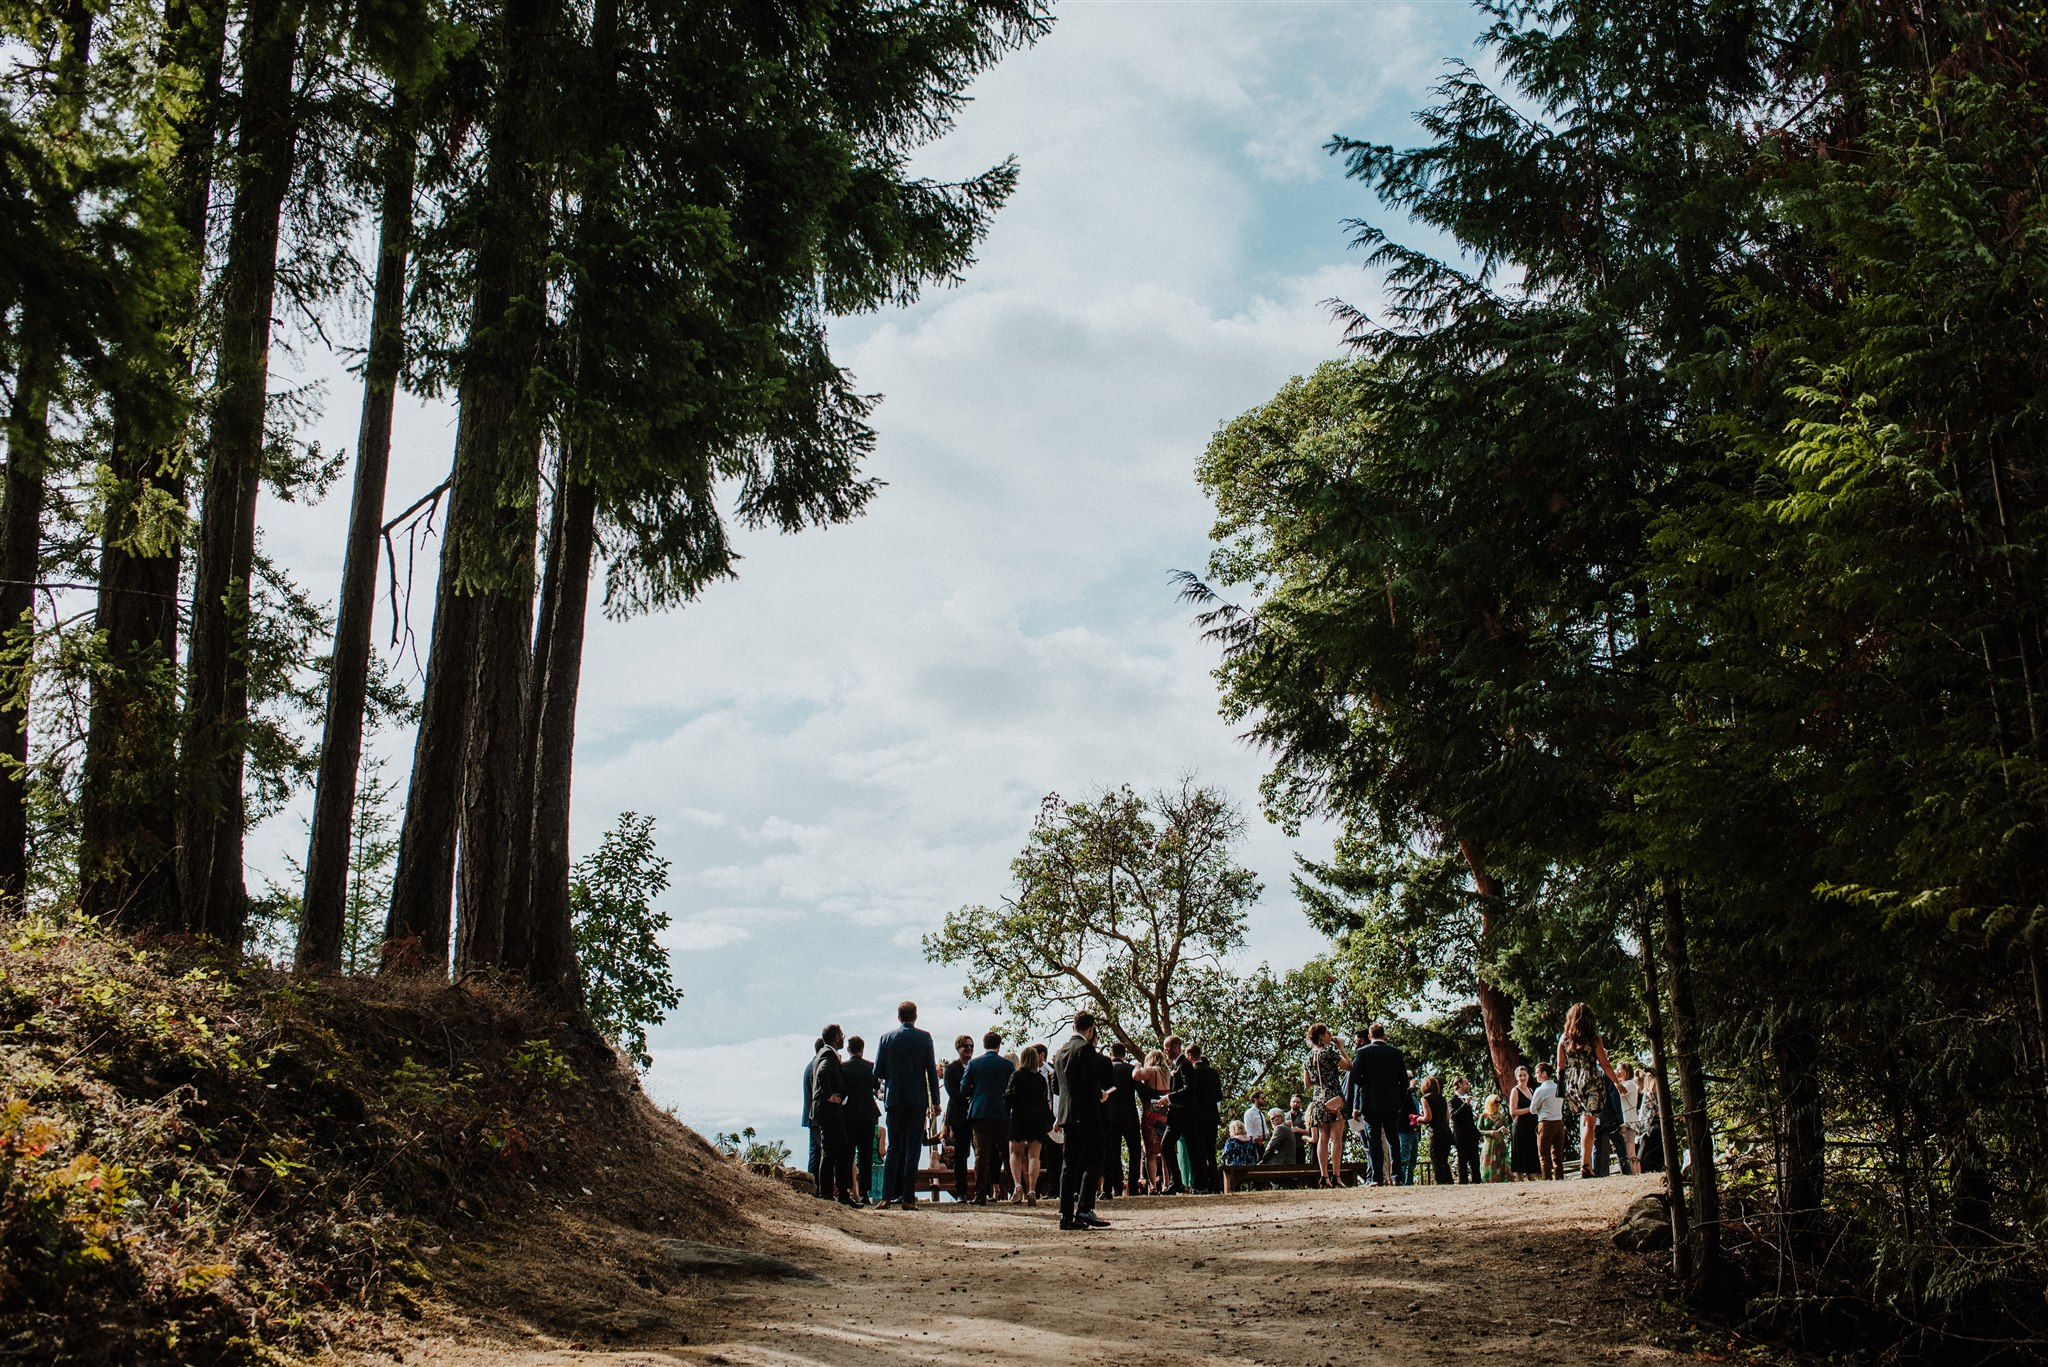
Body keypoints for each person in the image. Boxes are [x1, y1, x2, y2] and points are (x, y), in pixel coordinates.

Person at [874, 1000, 942, 1209]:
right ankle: (907, 1198)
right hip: (916, 1098)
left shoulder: (886, 1038)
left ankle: (886, 1197)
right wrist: (936, 1102)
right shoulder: (924, 1038)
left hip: (894, 1097)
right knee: (913, 1148)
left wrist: (893, 1075)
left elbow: (878, 1071)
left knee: (894, 1147)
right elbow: (931, 1070)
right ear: (915, 1016)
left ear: (898, 1016)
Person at [1051, 1012, 1113, 1230]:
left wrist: (1058, 1116)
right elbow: (1089, 1079)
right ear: (1091, 1029)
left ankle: (1066, 1215)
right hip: (1086, 1112)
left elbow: (1056, 1087)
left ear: (1073, 1026)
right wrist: (1100, 1094)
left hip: (1067, 1114)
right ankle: (1085, 1208)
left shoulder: (1060, 1052)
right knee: (1096, 1157)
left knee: (1069, 1165)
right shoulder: (1086, 1048)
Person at [1556, 1002, 1622, 1180]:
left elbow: (1560, 1067)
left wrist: (1561, 1090)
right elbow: (1605, 1064)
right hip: (1591, 1080)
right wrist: (1617, 1083)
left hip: (1572, 1083)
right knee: (1590, 1123)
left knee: (1585, 1121)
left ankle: (1585, 1166)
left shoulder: (1564, 1039)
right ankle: (1586, 1165)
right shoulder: (1594, 1039)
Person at [1348, 1022, 1409, 1188]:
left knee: (1373, 1141)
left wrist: (1365, 1084)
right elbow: (1404, 1081)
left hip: (1370, 1103)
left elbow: (1353, 1077)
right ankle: (1397, 1177)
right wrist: (1400, 1100)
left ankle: (1376, 1178)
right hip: (1391, 1102)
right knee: (1393, 1140)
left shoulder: (1362, 1052)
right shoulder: (1395, 1053)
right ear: (1384, 1036)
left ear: (1369, 1036)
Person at [961, 1030, 1015, 1204]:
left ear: (984, 1045)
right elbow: (1013, 1089)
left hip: (980, 1112)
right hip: (1001, 1113)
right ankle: (1013, 1190)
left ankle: (980, 1193)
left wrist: (974, 1094)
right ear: (999, 1045)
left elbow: (964, 1087)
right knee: (1006, 1153)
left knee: (981, 1155)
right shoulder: (1007, 1065)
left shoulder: (974, 1064)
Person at [810, 1026, 857, 1205]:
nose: (844, 1038)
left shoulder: (823, 1053)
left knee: (838, 1151)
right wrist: (829, 1095)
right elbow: (823, 1072)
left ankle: (836, 1193)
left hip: (825, 1111)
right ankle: (829, 1193)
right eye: (842, 1035)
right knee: (834, 1152)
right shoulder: (828, 1055)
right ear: (836, 1038)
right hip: (829, 1111)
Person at [1005, 1044, 1052, 1205]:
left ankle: (1018, 1185)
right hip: (1036, 1118)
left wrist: (1008, 1110)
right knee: (1034, 1156)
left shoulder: (1016, 1076)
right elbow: (1045, 1101)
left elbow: (1009, 1097)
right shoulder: (1040, 1079)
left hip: (1019, 1117)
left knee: (1015, 1154)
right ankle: (1032, 1189)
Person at [1304, 1022, 1348, 1187]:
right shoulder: (1329, 1052)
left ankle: (1324, 1176)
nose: (1330, 1035)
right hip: (1334, 1096)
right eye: (1328, 1032)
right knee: (1336, 1138)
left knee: (1323, 1138)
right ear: (1322, 1036)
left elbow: (1307, 1083)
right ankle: (1336, 1176)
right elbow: (1349, 1066)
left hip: (1318, 1099)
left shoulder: (1308, 1057)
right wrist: (1341, 1048)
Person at [841, 1035, 882, 1208]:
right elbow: (876, 1086)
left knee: (849, 1153)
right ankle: (865, 1192)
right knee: (865, 1155)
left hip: (850, 1114)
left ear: (849, 1049)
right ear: (862, 1049)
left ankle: (849, 1189)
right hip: (868, 1113)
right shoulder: (870, 1067)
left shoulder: (843, 1068)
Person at [1102, 1041, 1143, 1199]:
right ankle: (1133, 1186)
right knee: (1135, 1152)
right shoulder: (1130, 1069)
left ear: (1111, 1054)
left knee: (1113, 1152)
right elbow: (1141, 1090)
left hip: (1111, 1116)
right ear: (1124, 1055)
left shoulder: (1107, 1069)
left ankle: (1117, 1186)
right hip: (1130, 1116)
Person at [1185, 1044, 1225, 1193]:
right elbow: (1219, 1097)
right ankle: (1214, 1184)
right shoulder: (1213, 1072)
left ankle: (1201, 1184)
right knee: (1211, 1151)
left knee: (1199, 1151)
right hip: (1212, 1117)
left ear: (1189, 1055)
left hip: (1197, 1117)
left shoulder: (1192, 1073)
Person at [1134, 1047, 1173, 1194]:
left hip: (1152, 1112)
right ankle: (1167, 1184)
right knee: (1165, 1151)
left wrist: (1138, 1065)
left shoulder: (1151, 1071)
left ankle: (1153, 1186)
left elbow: (1136, 1076)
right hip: (1167, 1112)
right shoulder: (1169, 1073)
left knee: (1151, 1152)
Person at [941, 1034, 975, 1202]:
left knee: (981, 1153)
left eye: (971, 1046)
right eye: (965, 1046)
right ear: (958, 1049)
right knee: (961, 1155)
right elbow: (952, 1091)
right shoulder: (952, 1069)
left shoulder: (976, 1066)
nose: (968, 1049)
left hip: (976, 1115)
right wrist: (967, 1098)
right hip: (959, 1116)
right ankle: (961, 1191)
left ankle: (983, 1190)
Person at [1161, 1036, 1196, 1194]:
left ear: (1175, 1048)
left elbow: (1189, 1090)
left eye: (1167, 1048)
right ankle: (1177, 1181)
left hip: (1185, 1115)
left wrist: (1169, 1097)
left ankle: (1201, 1183)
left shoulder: (1185, 1065)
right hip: (1176, 1116)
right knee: (1166, 1145)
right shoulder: (1177, 1065)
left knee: (1193, 1148)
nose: (1165, 1051)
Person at [1532, 1062, 1566, 1180]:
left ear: (1544, 1074)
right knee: (1557, 1154)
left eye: (1537, 1073)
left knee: (1544, 1154)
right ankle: (1559, 1177)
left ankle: (1547, 1178)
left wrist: (1541, 1110)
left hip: (1546, 1122)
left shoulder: (1540, 1090)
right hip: (1559, 1122)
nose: (1536, 1076)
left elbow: (1532, 1109)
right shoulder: (1558, 1087)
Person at [801, 1036, 826, 1198]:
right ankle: (820, 1189)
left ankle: (813, 1188)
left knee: (815, 1153)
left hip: (810, 1116)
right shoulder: (817, 1067)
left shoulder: (809, 1066)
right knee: (824, 1152)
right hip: (818, 1116)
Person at [1419, 1076, 1453, 1185]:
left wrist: (1419, 1118)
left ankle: (1441, 1182)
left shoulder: (1425, 1098)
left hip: (1435, 1131)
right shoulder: (1442, 1098)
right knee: (1444, 1159)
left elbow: (1428, 1117)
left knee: (1436, 1159)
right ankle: (1449, 1181)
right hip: (1446, 1130)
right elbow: (1448, 1117)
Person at [1509, 1064, 1539, 1181]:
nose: (1522, 1078)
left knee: (1530, 1152)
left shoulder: (1530, 1090)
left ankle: (1531, 1177)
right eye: (1520, 1075)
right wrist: (1530, 1109)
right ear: (1516, 1077)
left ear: (1528, 1076)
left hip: (1530, 1126)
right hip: (1520, 1126)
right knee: (1521, 1154)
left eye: (1524, 1075)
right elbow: (1513, 1111)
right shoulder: (1515, 1091)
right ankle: (1520, 1180)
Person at [1450, 1076, 1482, 1183]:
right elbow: (1454, 1116)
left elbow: (1470, 1121)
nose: (1468, 1086)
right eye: (1466, 1083)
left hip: (1471, 1136)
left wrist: (1478, 1134)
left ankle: (1477, 1182)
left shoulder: (1466, 1098)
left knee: (1475, 1162)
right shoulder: (1453, 1100)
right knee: (1462, 1162)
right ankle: (1463, 1182)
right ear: (1459, 1084)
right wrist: (1465, 1104)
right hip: (1461, 1137)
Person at [1615, 1061, 1642, 1175]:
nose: (1617, 1072)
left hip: (1629, 1121)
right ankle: (1633, 1173)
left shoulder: (1629, 1084)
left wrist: (1614, 1080)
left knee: (1630, 1150)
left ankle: (1635, 1173)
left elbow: (1621, 1091)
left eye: (1619, 1069)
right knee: (1628, 1150)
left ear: (1626, 1072)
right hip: (1626, 1121)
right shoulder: (1627, 1083)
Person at [1637, 1066, 1666, 1173]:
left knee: (1656, 1150)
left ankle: (1657, 1168)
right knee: (1646, 1151)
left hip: (1655, 1127)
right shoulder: (1649, 1095)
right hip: (1648, 1128)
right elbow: (1656, 1110)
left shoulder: (1655, 1095)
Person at [1478, 1094, 1509, 1182]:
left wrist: (1505, 1130)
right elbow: (1478, 1130)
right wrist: (1489, 1132)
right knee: (1488, 1163)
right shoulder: (1484, 1116)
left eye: (1499, 1102)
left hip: (1499, 1143)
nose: (1498, 1104)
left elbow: (1506, 1127)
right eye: (1496, 1102)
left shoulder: (1501, 1115)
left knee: (1501, 1163)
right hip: (1488, 1144)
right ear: (1490, 1102)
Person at [1398, 1073, 1421, 1186]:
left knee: (1413, 1159)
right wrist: (1410, 1088)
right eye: (1409, 1078)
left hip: (1414, 1130)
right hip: (1404, 1130)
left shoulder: (1413, 1096)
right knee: (1404, 1157)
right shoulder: (1401, 1092)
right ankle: (1401, 1180)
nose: (1412, 1080)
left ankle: (1410, 1182)